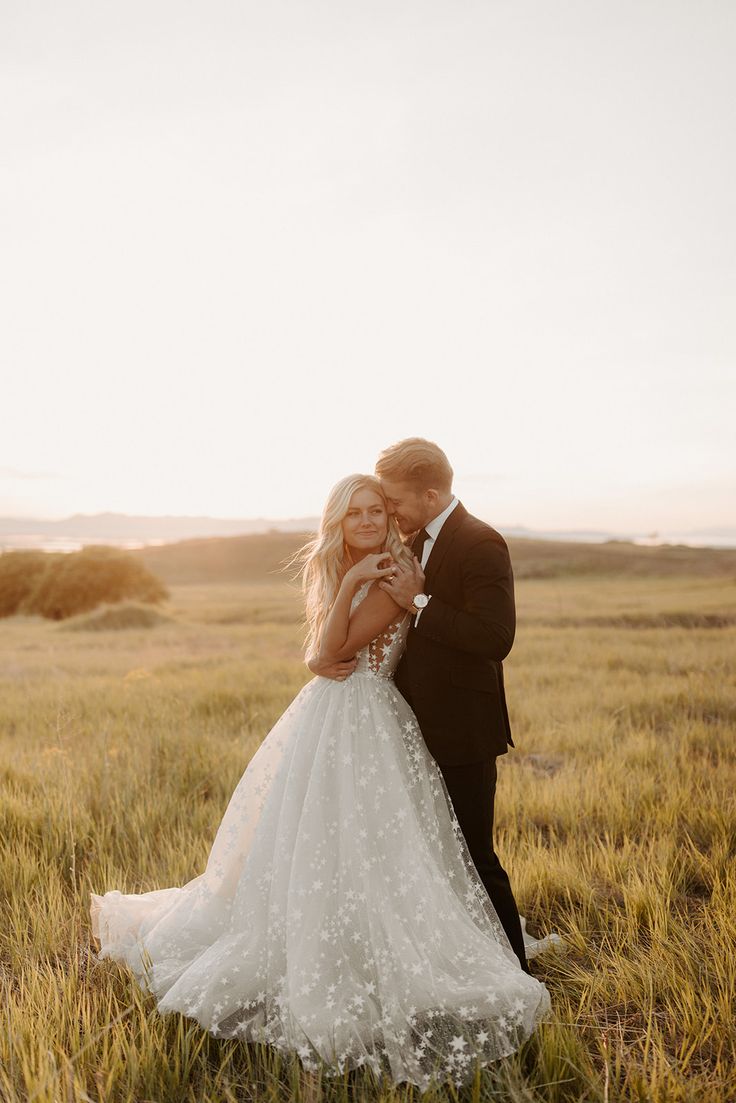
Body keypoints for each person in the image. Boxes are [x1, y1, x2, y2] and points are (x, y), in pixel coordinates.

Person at [90, 474, 550, 1090]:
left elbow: (338, 646)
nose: (365, 521)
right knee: (309, 841)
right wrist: (327, 628)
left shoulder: (388, 572)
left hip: (371, 715)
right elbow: (320, 654)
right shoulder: (347, 568)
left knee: (376, 843)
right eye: (353, 513)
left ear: (389, 518)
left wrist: (353, 589)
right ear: (337, 521)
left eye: (374, 511)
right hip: (329, 712)